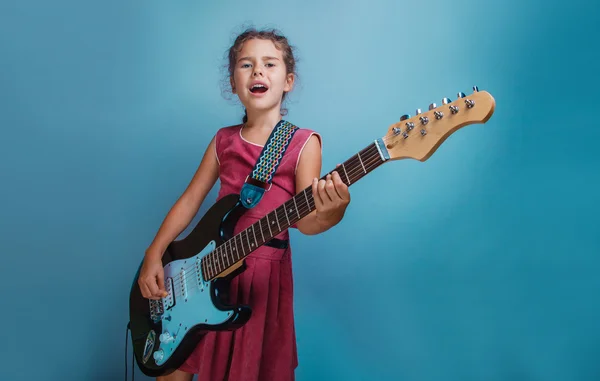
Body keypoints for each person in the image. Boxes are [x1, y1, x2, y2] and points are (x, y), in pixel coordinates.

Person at [137, 27, 351, 381]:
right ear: (234, 84)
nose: (258, 72)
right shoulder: (223, 140)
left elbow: (307, 221)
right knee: (174, 367)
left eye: (270, 64)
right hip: (205, 267)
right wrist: (154, 254)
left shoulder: (303, 143)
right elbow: (191, 199)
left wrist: (333, 211)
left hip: (261, 279)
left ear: (289, 81)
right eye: (246, 65)